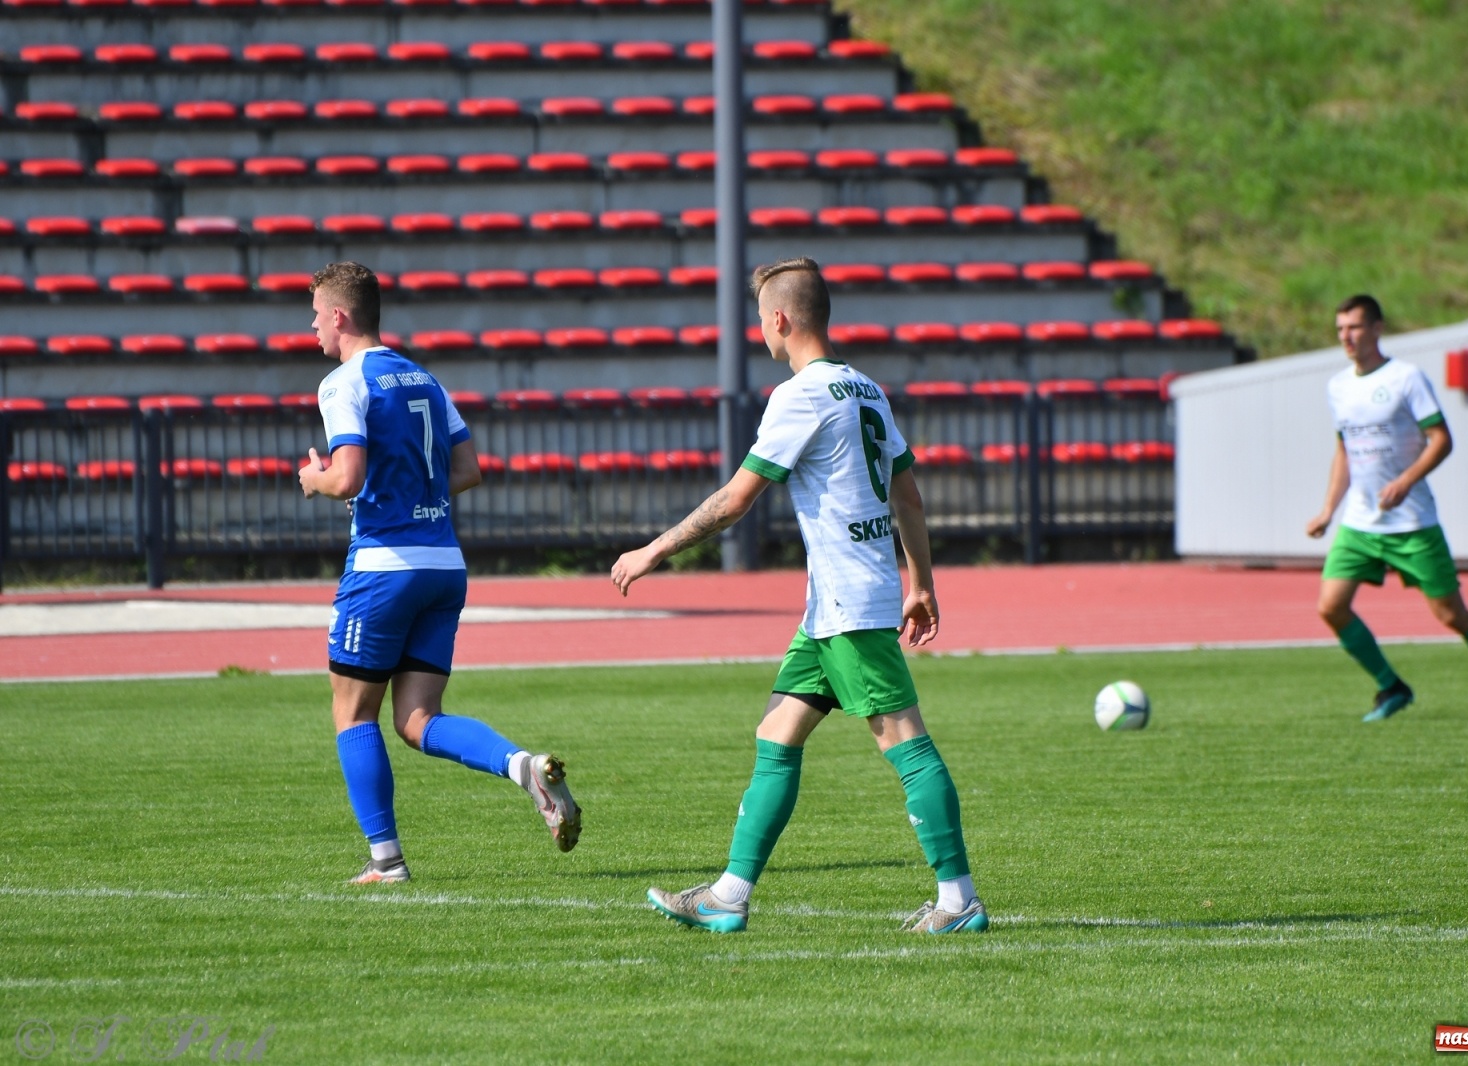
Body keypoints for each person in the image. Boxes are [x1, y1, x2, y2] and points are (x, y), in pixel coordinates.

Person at [610, 257, 986, 934]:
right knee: (776, 735)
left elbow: (734, 501)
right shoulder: (866, 389)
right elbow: (907, 493)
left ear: (779, 319)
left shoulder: (802, 395)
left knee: (906, 742)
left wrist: (653, 550)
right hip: (833, 610)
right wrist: (921, 581)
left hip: (850, 606)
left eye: (761, 320)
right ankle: (730, 894)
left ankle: (959, 899)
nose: (762, 332)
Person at [298, 261, 580, 884]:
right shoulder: (425, 378)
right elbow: (469, 469)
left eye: (316, 311)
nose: (312, 323)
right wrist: (403, 491)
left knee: (354, 715)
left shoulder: (342, 382)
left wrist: (314, 480)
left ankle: (386, 861)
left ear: (340, 315)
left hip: (382, 568)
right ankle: (521, 766)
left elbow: (346, 476)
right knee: (418, 718)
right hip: (443, 565)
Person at [1306, 294, 1468, 722]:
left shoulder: (1406, 378)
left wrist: (1404, 481)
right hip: (1360, 523)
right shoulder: (1337, 386)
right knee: (1330, 606)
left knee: (1451, 614)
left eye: (1354, 327)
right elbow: (1345, 451)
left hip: (1412, 522)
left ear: (1377, 328)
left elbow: (1442, 439)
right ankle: (1391, 687)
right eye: (1340, 329)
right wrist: (1327, 510)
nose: (1346, 337)